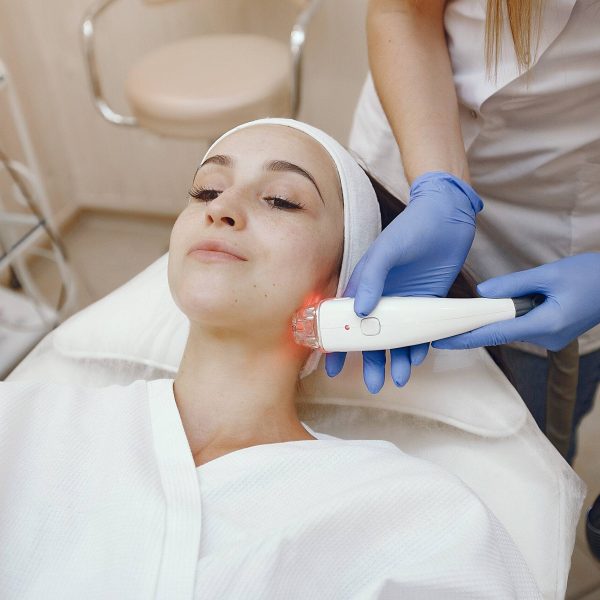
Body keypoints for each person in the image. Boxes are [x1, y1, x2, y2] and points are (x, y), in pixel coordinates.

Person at [0, 119, 542, 598]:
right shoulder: (26, 420)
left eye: (281, 199)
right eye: (205, 189)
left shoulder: (419, 514)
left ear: (344, 287)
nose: (221, 208)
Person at [327, 0, 600, 467]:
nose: (223, 214)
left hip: (568, 204)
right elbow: (404, 11)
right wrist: (439, 185)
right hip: (418, 142)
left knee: (525, 456)